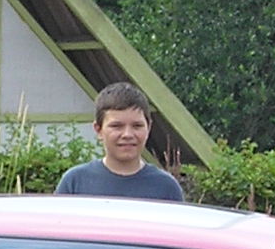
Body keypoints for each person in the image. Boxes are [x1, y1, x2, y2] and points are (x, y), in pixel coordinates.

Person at [56, 83, 185, 201]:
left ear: (149, 128)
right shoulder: (75, 183)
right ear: (99, 130)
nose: (127, 135)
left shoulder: (167, 187)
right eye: (117, 126)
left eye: (137, 126)